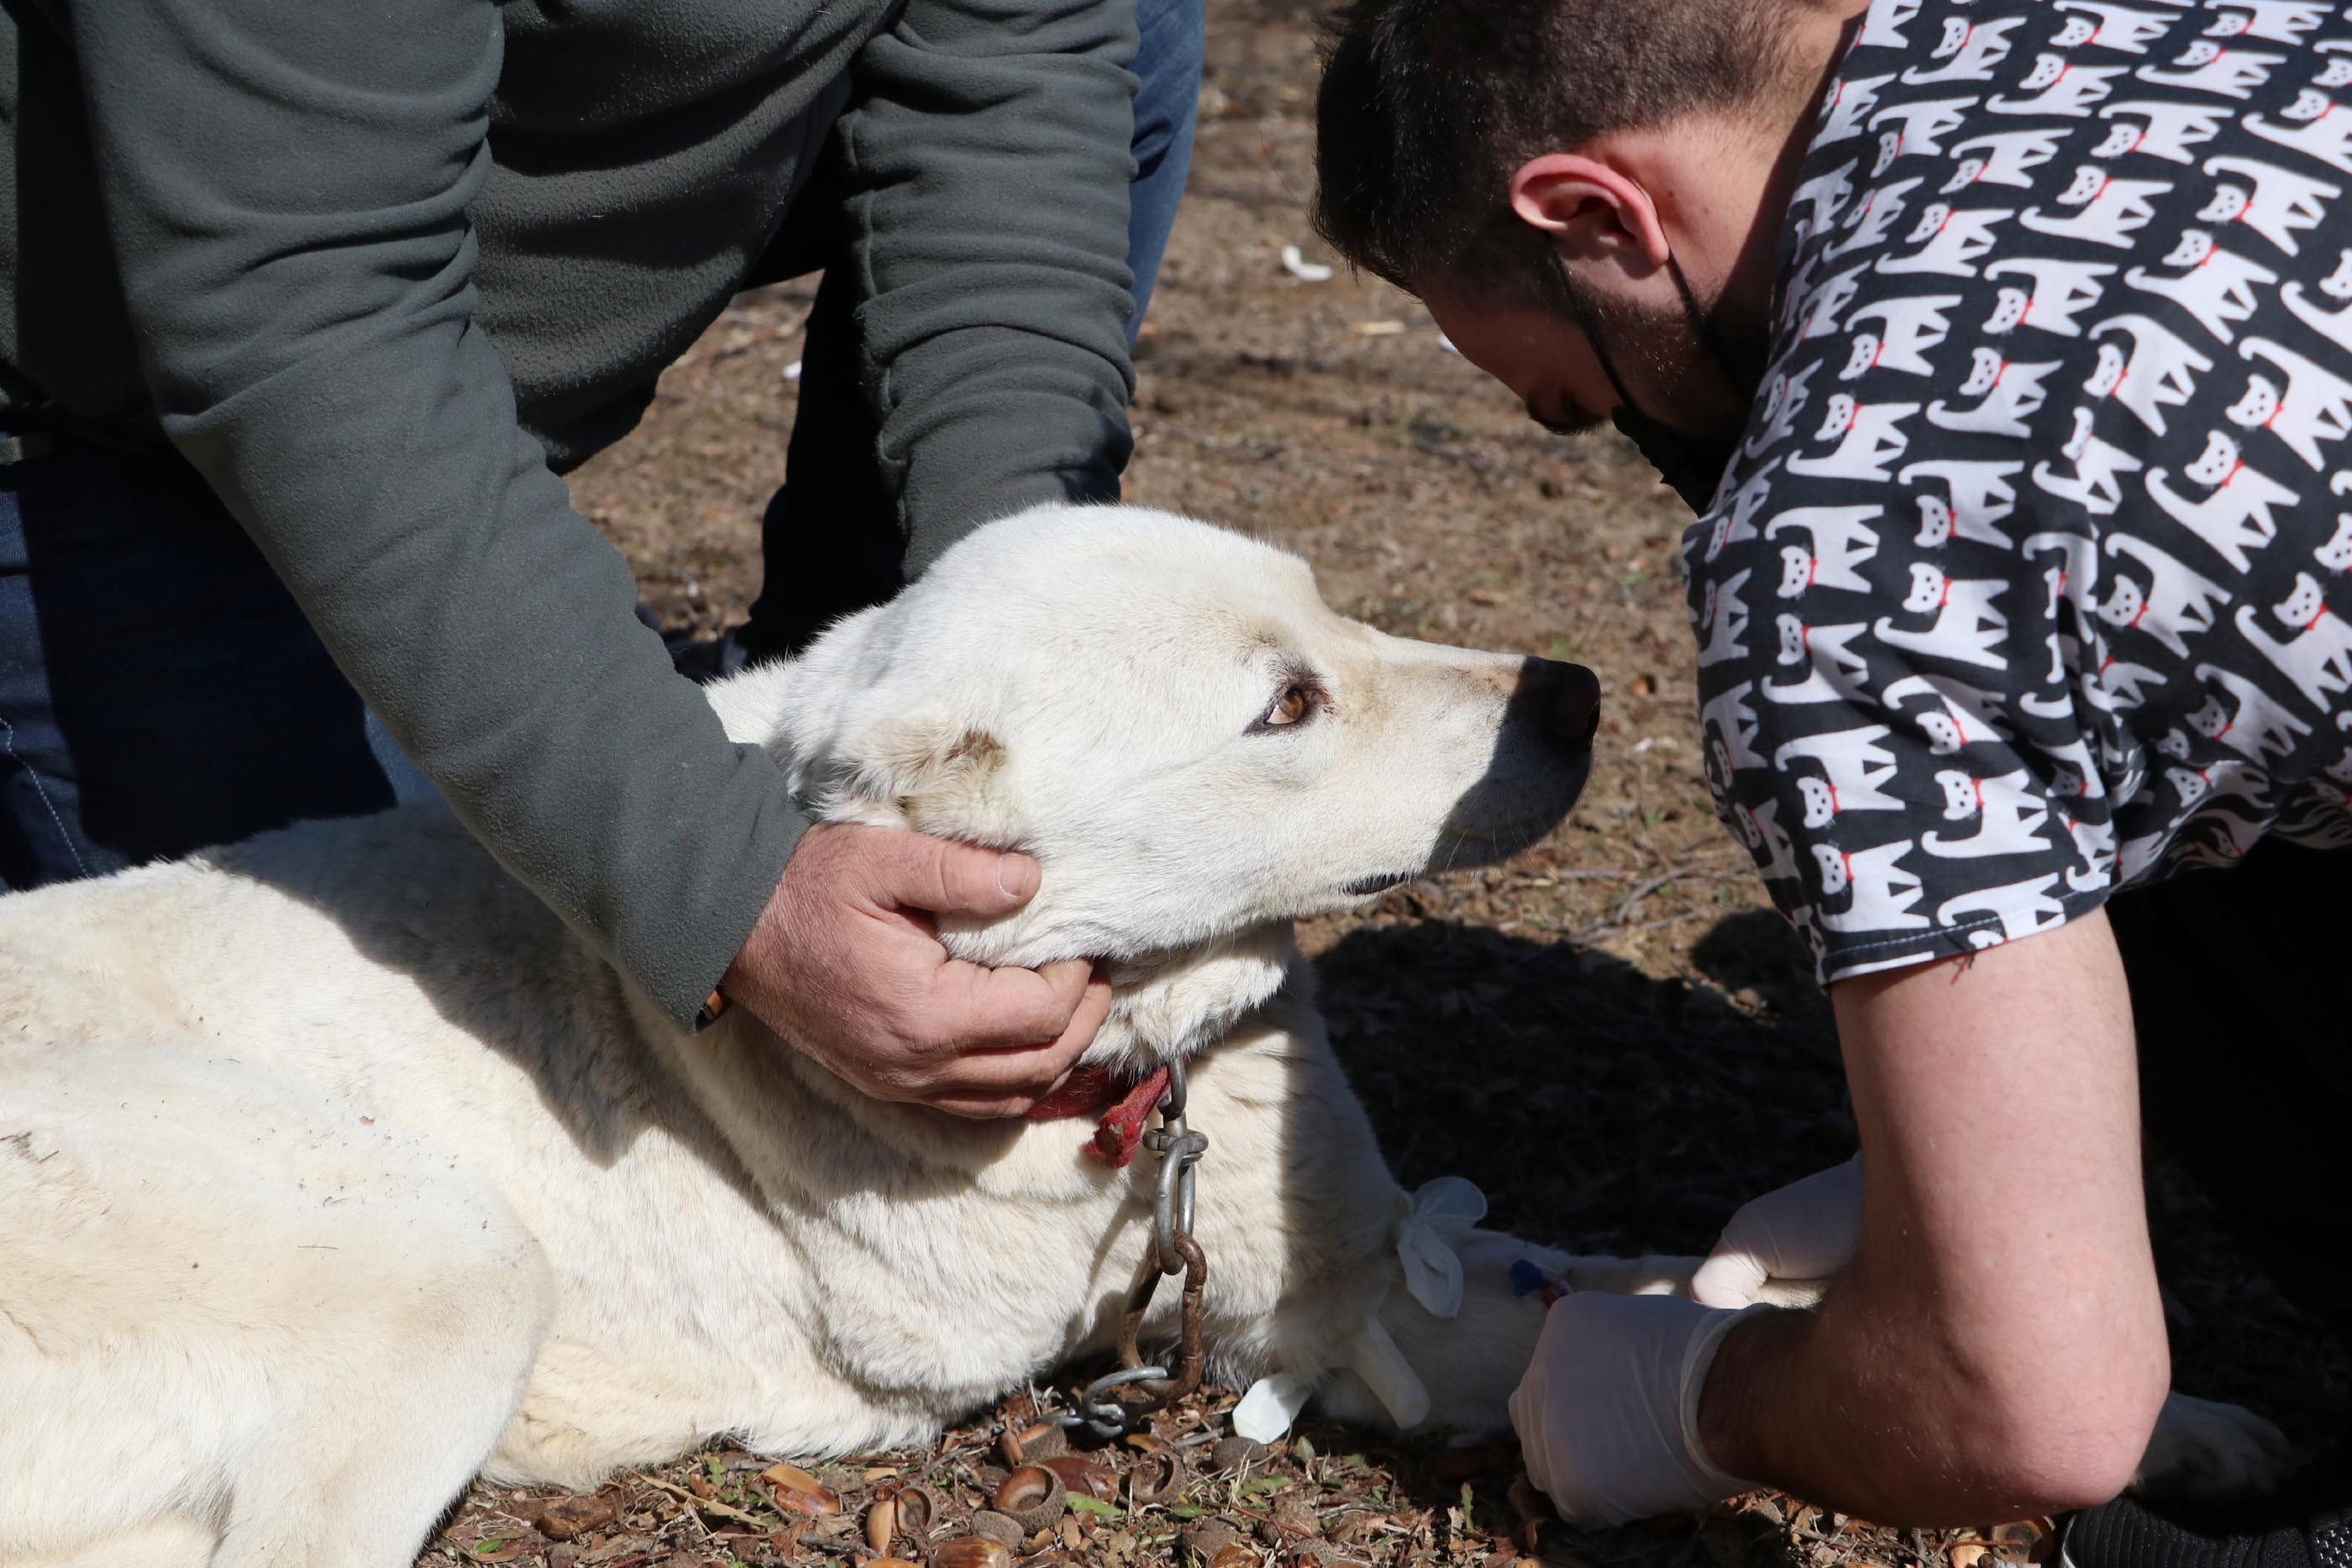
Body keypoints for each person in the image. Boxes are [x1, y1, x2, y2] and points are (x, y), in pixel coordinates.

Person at [1312, 0, 2352, 1558]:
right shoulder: (2163, 26)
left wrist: (1699, 1401)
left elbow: (2032, 1408)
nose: (1619, 435)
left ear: (1596, 211)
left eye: (1579, 401)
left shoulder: (1853, 550)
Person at [2, 0, 1203, 1120]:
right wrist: (729, 886)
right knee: (316, 1101)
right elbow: (306, 309)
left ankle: (832, 744)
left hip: (453, 258)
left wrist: (1036, 664)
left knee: (1136, 30)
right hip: (118, 400)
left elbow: (1010, 90)